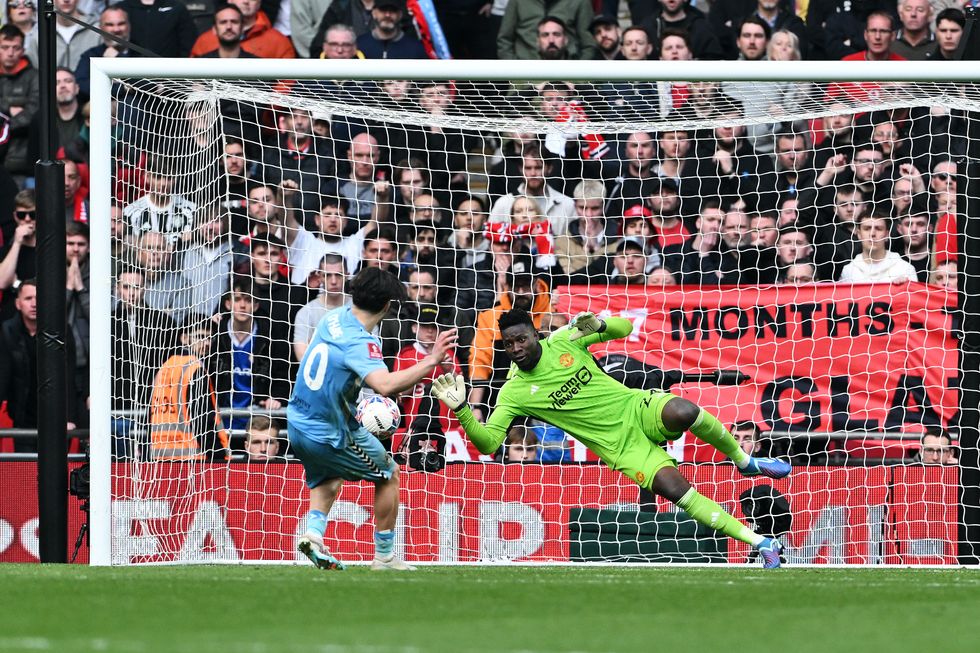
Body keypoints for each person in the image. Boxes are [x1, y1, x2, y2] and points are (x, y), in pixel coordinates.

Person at [431, 308, 791, 568]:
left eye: (521, 339)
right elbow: (490, 444)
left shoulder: (565, 341)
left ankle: (746, 461)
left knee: (684, 410)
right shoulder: (514, 393)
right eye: (508, 344)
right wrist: (462, 409)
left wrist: (601, 324)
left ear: (535, 334)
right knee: (679, 491)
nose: (516, 348)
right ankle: (761, 542)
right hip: (621, 448)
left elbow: (622, 329)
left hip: (636, 408)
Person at [288, 266, 457, 571]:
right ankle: (384, 556)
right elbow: (386, 385)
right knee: (389, 473)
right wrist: (432, 359)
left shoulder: (333, 318)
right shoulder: (362, 343)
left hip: (297, 421)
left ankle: (313, 535)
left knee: (329, 475)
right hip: (329, 430)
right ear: (386, 305)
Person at [0, 280, 77, 452]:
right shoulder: (7, 331)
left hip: (57, 416)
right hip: (23, 416)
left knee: (56, 474)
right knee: (26, 469)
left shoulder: (62, 330)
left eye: (38, 298)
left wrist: (69, 417)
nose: (34, 303)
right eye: (28, 298)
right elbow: (2, 376)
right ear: (18, 304)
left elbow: (69, 375)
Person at [147, 314, 230, 461]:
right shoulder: (193, 369)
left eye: (209, 338)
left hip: (160, 454)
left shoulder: (165, 367)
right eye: (200, 336)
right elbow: (203, 419)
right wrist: (218, 455)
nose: (206, 343)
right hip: (192, 455)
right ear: (184, 338)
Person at [190, 0, 295, 58]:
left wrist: (271, 98)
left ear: (260, 2)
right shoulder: (205, 41)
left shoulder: (278, 41)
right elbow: (192, 79)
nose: (246, 1)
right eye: (223, 22)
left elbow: (287, 80)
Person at [839, 214, 917, 283]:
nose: (872, 234)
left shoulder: (905, 269)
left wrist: (905, 286)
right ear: (859, 234)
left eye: (878, 229)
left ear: (887, 235)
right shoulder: (848, 272)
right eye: (867, 228)